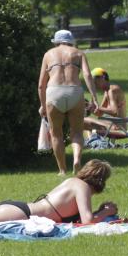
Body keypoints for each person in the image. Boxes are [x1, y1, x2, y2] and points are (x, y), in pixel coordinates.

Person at [38, 30, 99, 176]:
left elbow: (41, 84)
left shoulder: (48, 54)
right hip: (74, 91)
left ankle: (62, 170)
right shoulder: (78, 53)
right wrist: (94, 98)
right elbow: (87, 75)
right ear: (71, 41)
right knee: (77, 132)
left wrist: (42, 104)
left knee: (56, 133)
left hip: (54, 92)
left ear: (56, 41)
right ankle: (77, 160)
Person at [84, 67, 127, 134]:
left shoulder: (112, 90)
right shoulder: (107, 91)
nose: (94, 84)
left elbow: (114, 112)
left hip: (117, 128)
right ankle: (91, 143)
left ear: (102, 78)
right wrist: (89, 107)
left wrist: (96, 106)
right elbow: (99, 113)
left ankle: (93, 142)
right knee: (83, 121)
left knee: (84, 121)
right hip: (112, 125)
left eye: (95, 81)